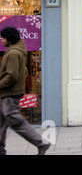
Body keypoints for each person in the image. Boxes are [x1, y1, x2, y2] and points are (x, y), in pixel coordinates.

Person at [0, 27, 50, 155]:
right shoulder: (16, 51)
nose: (2, 40)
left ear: (9, 39)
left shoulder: (12, 53)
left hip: (10, 93)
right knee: (2, 123)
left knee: (15, 121)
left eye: (4, 38)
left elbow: (12, 75)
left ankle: (41, 143)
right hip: (8, 93)